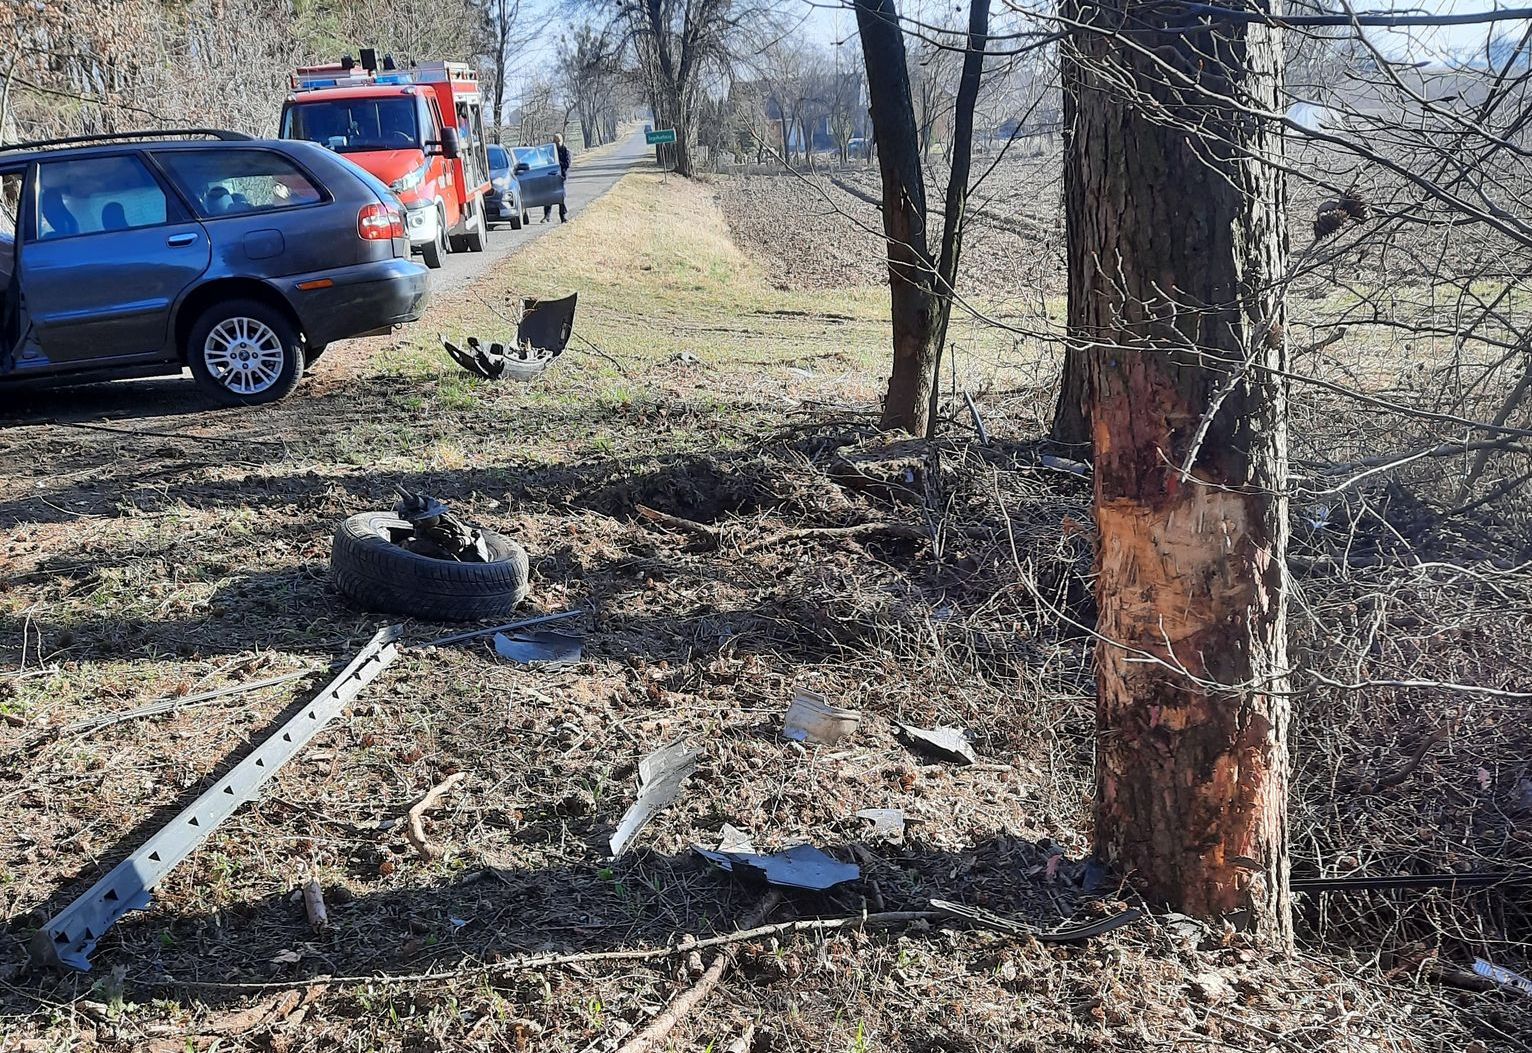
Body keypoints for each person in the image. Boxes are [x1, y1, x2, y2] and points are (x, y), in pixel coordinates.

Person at [542, 133, 571, 223]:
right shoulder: (550, 151)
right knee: (548, 195)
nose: (557, 143)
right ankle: (546, 216)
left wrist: (557, 163)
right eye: (555, 141)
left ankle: (563, 216)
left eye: (558, 141)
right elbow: (544, 162)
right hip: (550, 176)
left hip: (561, 176)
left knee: (560, 196)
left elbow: (567, 164)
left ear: (562, 141)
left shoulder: (566, 151)